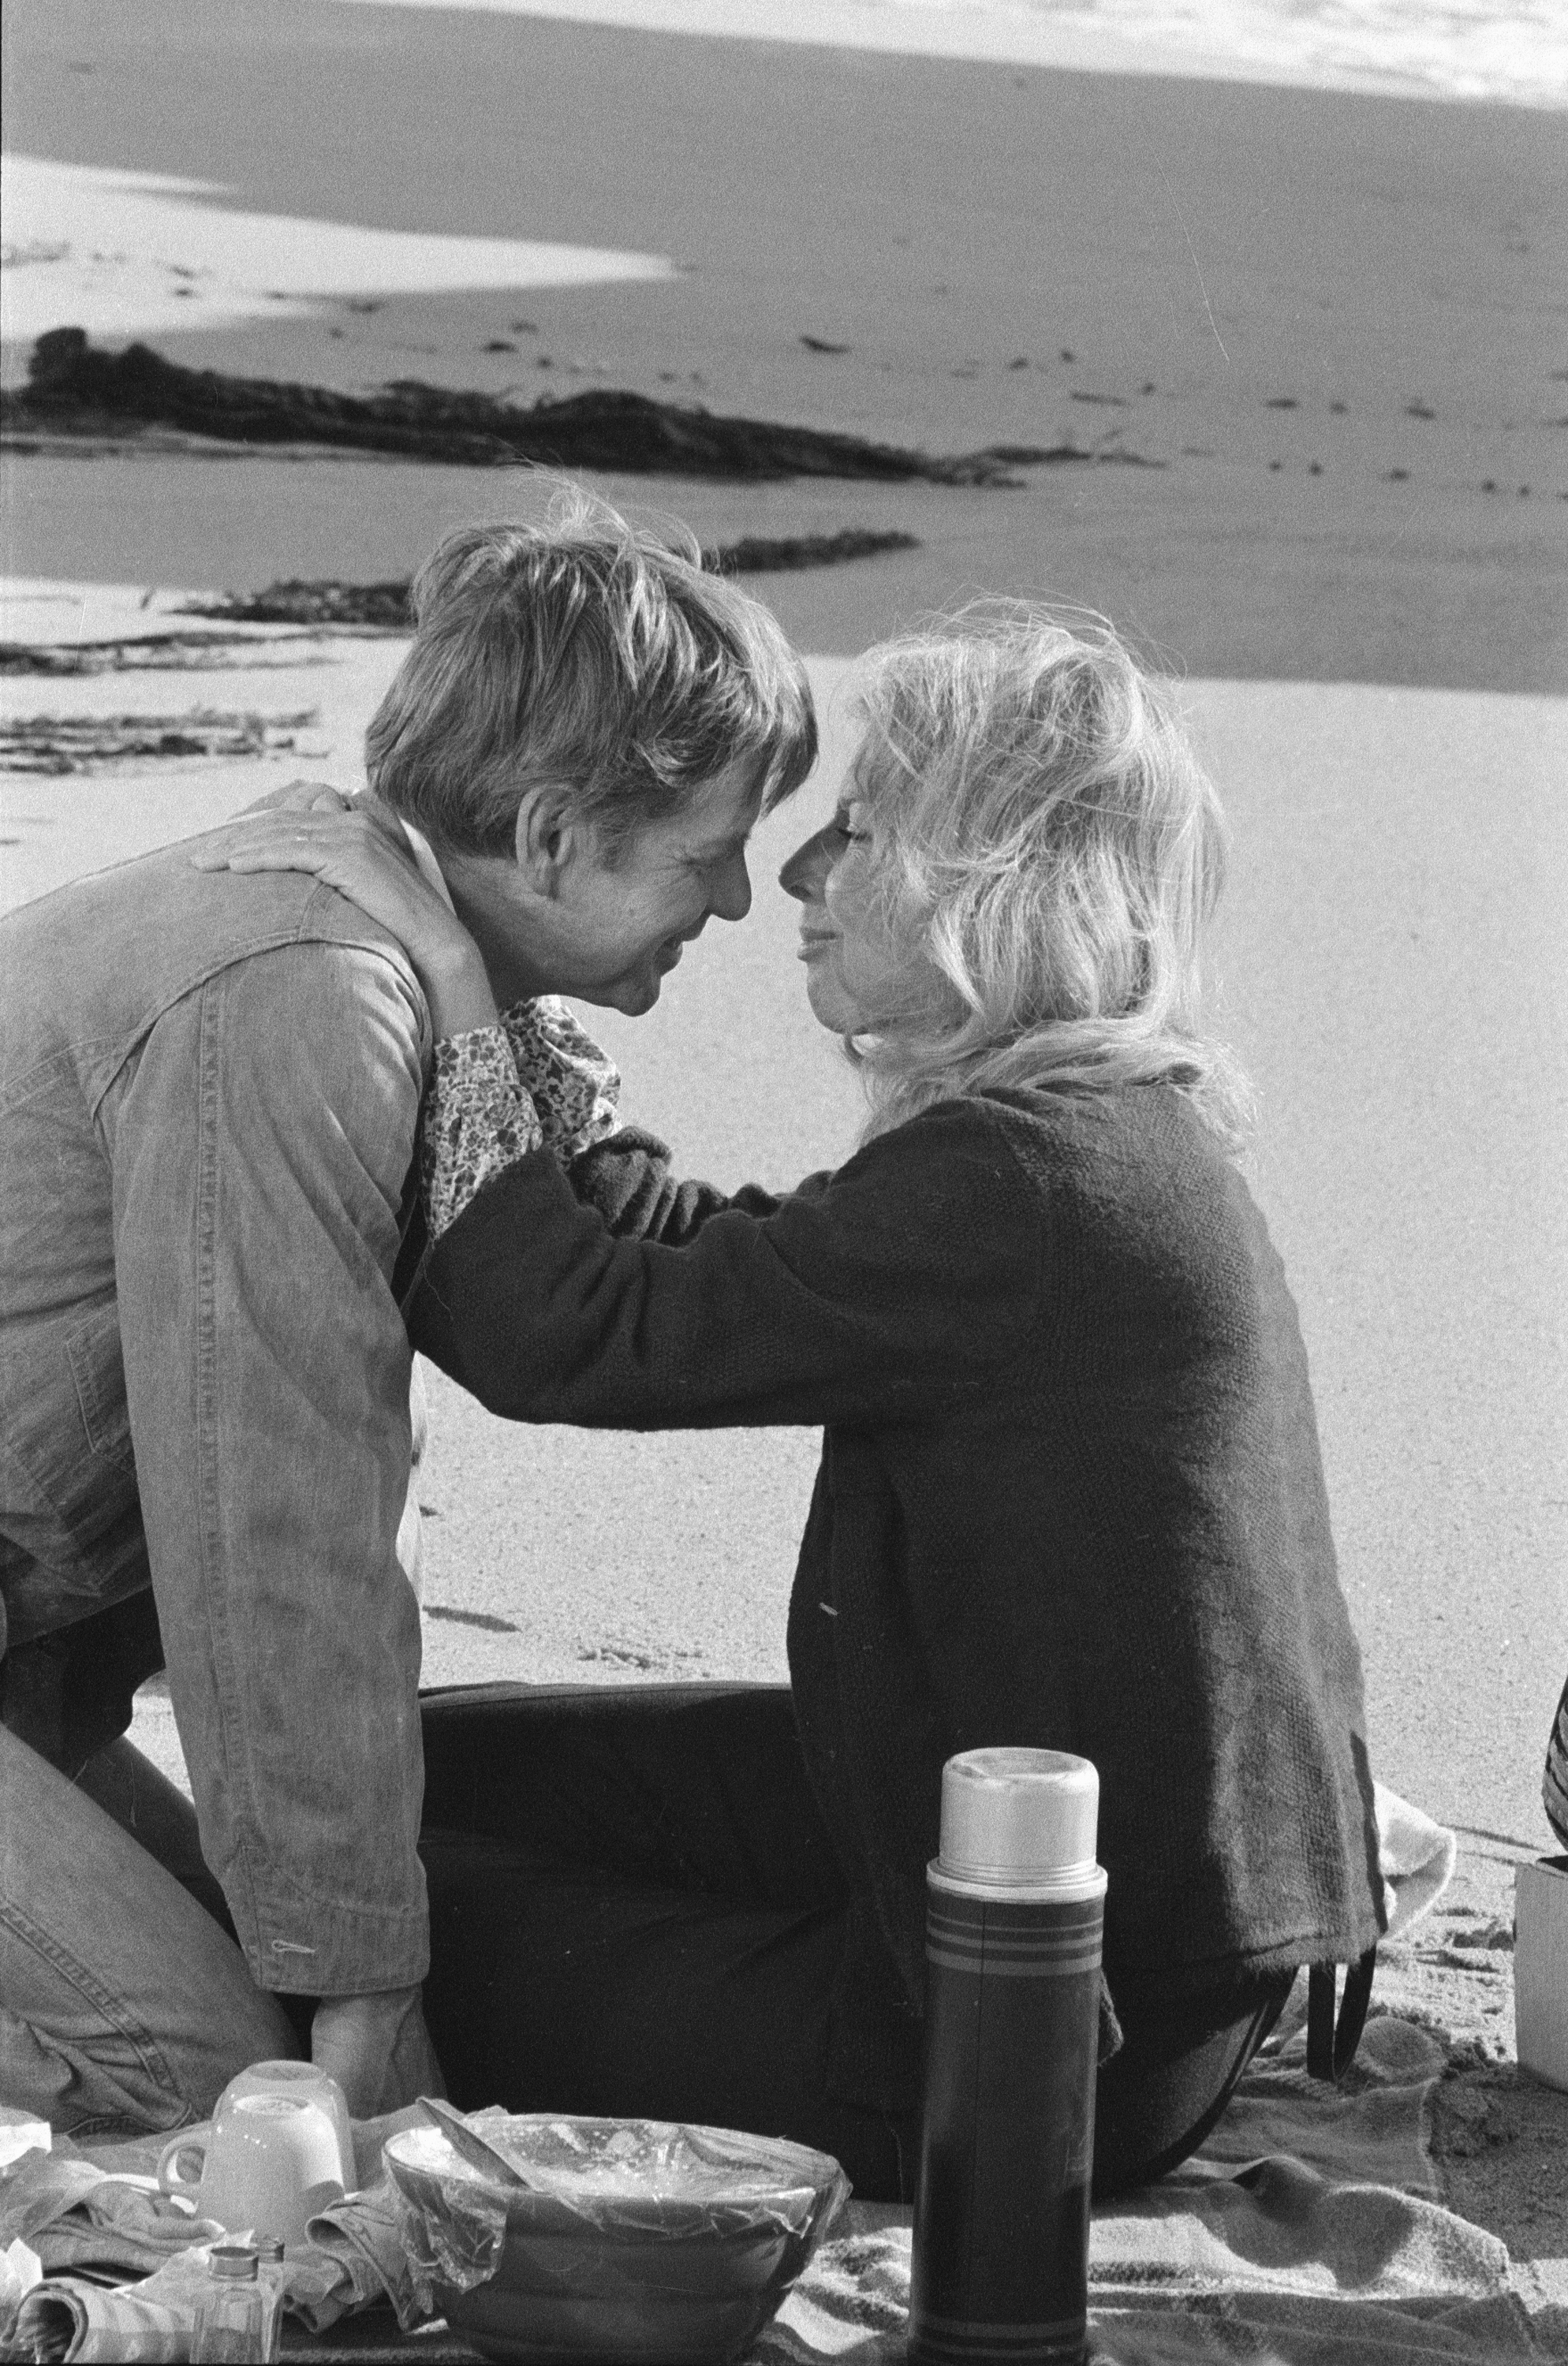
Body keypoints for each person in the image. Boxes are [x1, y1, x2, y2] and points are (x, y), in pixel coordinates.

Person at [207, 606, 1385, 2201]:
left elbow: (566, 1335)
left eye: (860, 833)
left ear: (988, 884)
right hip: (1059, 1900)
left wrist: (452, 985)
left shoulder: (1027, 1178)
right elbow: (728, 1264)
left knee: (338, 1902)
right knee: (397, 1786)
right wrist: (546, 1074)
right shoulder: (1090, 1130)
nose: (802, 880)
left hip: (1038, 2048)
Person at [0, 498, 816, 2135]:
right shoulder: (306, 995)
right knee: (213, 2088)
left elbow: (609, 1246)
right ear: (548, 832)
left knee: (279, 2052)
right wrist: (357, 1972)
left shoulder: (399, 941)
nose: (736, 899)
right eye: (705, 849)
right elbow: (279, 1524)